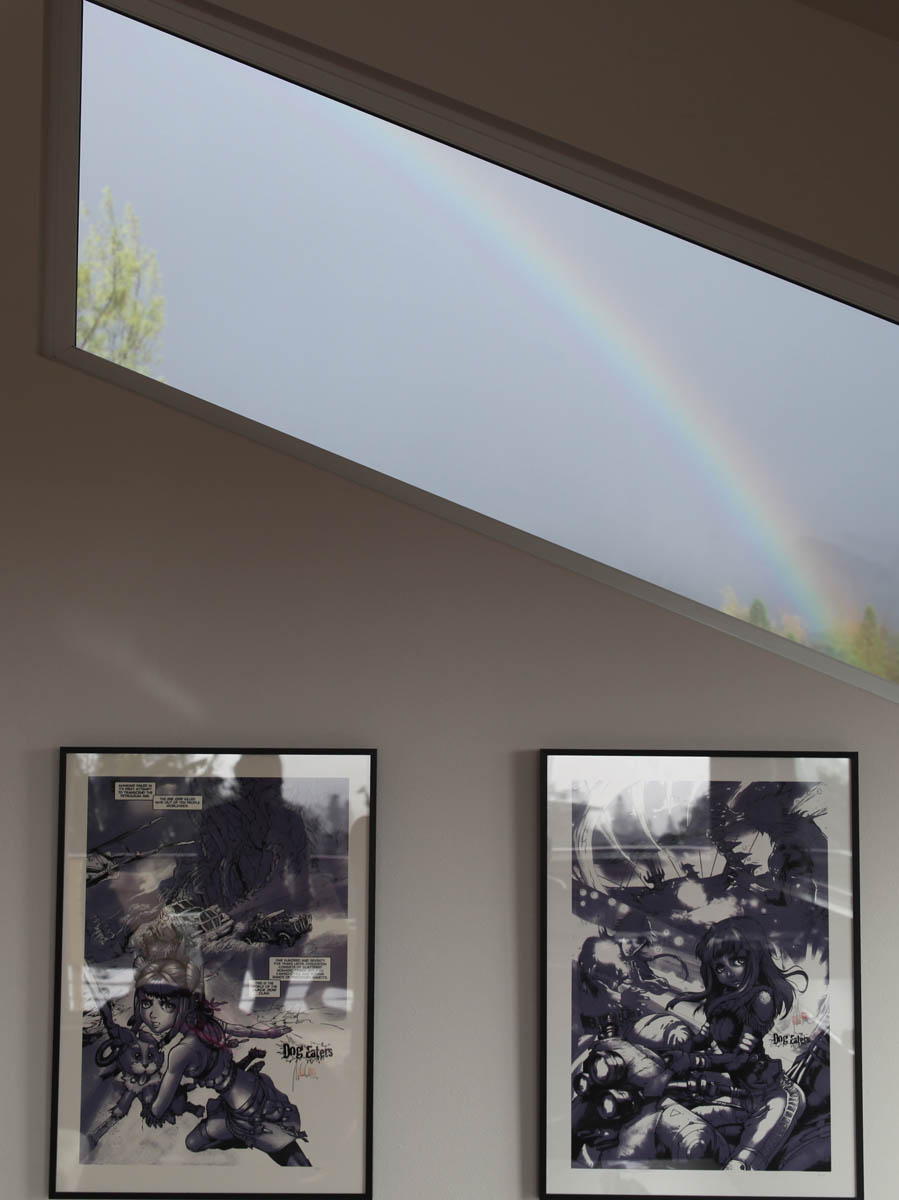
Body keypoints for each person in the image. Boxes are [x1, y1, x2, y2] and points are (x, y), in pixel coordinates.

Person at [131, 929, 311, 1166]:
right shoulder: (205, 1022)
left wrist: (145, 1103)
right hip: (252, 1087)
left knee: (194, 1143)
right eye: (146, 1003)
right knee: (288, 1154)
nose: (153, 1015)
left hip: (244, 1107)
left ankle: (249, 1138)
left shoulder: (181, 1052)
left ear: (182, 1003)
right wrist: (269, 1033)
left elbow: (159, 1107)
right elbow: (242, 1030)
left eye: (166, 1005)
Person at [664, 915, 807, 1170]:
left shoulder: (762, 998)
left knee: (740, 1168)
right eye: (720, 968)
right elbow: (700, 1040)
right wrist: (672, 1047)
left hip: (774, 1099)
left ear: (753, 958)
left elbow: (740, 1060)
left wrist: (693, 1060)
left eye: (737, 961)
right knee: (676, 1127)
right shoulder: (719, 1001)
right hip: (740, 1099)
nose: (728, 972)